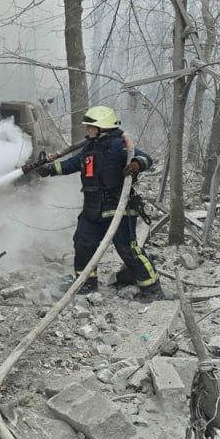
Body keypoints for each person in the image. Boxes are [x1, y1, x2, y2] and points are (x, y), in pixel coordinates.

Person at [28, 105, 162, 301]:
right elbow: (72, 164)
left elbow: (146, 159)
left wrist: (135, 164)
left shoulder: (119, 145)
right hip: (92, 209)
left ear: (102, 127)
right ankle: (86, 283)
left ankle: (152, 289)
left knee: (127, 249)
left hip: (118, 208)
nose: (87, 130)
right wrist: (50, 170)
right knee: (83, 243)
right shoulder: (89, 148)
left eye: (90, 126)